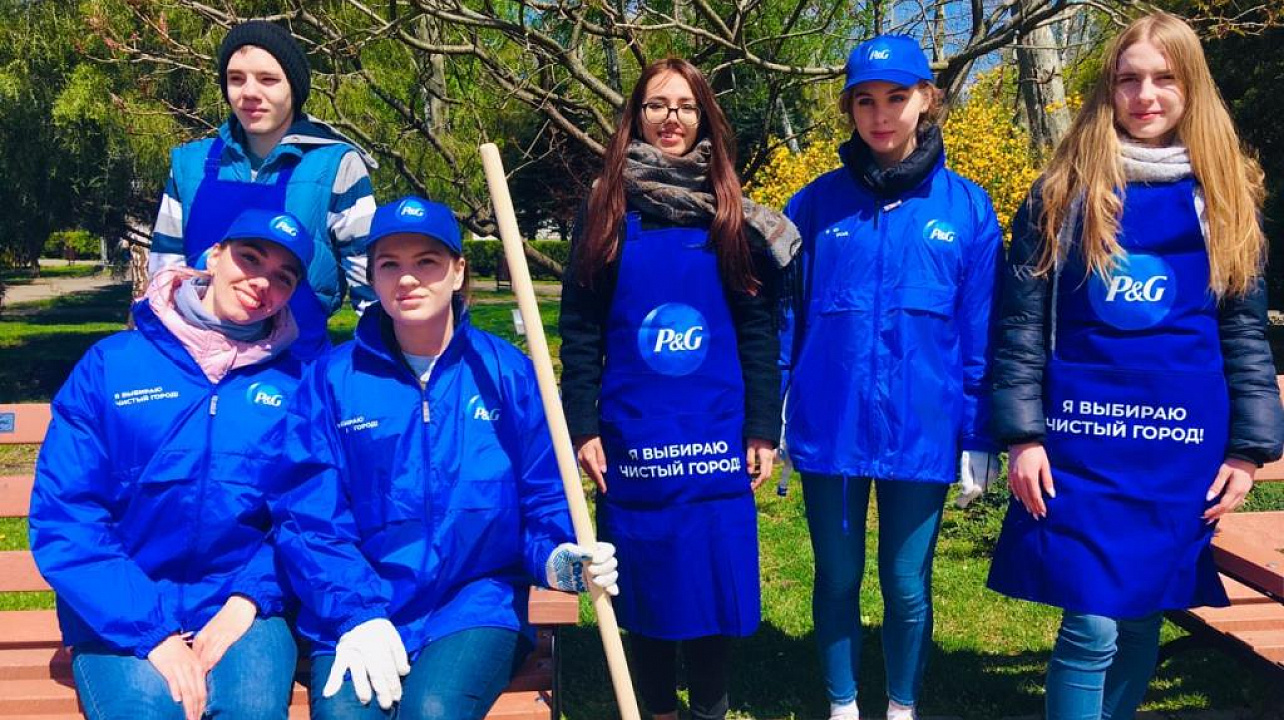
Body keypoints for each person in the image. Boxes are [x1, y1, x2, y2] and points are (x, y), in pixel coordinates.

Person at [987, 12, 1284, 720]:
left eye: (1163, 78)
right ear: (1108, 90)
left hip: (1179, 448)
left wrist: (1247, 450)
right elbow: (1020, 324)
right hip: (1082, 442)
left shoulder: (1225, 197)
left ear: (1192, 87)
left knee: (1147, 609)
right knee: (1090, 620)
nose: (1145, 95)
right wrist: (1023, 435)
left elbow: (1244, 334)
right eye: (1128, 79)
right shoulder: (1062, 191)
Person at [272, 196, 617, 720]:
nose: (407, 279)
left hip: (475, 601)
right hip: (363, 596)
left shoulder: (508, 375)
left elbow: (545, 495)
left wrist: (558, 558)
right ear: (372, 276)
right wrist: (356, 613)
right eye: (390, 264)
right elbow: (308, 515)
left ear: (458, 271)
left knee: (432, 711)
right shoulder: (331, 381)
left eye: (427, 261)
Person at [559, 58, 796, 720]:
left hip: (715, 432)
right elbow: (580, 329)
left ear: (704, 120)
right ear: (636, 117)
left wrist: (762, 427)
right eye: (658, 105)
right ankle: (659, 709)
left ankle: (710, 709)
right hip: (635, 435)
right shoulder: (606, 209)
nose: (672, 118)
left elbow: (756, 330)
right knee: (646, 577)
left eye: (686, 106)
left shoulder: (730, 213)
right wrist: (583, 426)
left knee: (715, 578)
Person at [781, 35, 1004, 720]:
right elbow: (785, 319)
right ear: (849, 109)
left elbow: (980, 331)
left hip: (923, 427)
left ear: (926, 100)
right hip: (832, 423)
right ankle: (843, 705)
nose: (881, 115)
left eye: (897, 98)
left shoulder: (967, 209)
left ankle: (902, 707)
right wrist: (775, 409)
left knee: (907, 583)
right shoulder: (813, 207)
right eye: (865, 101)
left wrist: (979, 434)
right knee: (838, 576)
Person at [30, 209, 315, 720]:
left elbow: (306, 514)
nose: (261, 283)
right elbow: (67, 514)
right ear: (214, 256)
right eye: (250, 258)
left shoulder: (299, 387)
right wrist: (152, 633)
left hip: (244, 604)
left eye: (283, 277)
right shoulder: (112, 365)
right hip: (120, 605)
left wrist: (249, 599)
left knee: (250, 711)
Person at [149, 19, 379, 357]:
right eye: (236, 79)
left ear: (294, 88)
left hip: (296, 367)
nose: (249, 93)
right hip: (192, 363)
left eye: (268, 79)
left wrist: (382, 364)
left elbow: (371, 284)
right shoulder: (191, 165)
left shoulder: (336, 166)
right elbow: (164, 278)